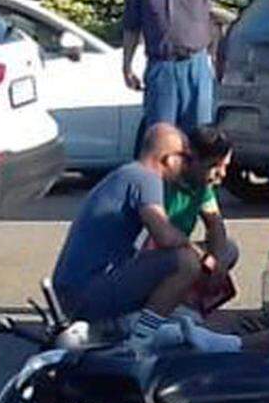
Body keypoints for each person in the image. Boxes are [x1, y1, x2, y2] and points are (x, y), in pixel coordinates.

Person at [51, 123, 216, 351]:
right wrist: (200, 254)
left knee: (171, 270)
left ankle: (131, 326)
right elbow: (165, 236)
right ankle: (140, 341)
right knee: (186, 263)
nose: (188, 164)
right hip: (84, 294)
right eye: (185, 158)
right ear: (168, 159)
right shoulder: (146, 179)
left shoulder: (127, 174)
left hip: (74, 289)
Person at [122, 0, 249, 138]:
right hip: (162, 68)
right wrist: (127, 65)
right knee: (161, 137)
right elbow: (131, 27)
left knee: (200, 138)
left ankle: (194, 174)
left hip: (196, 67)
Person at [162, 126, 239, 312]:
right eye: (215, 166)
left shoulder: (202, 186)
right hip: (155, 252)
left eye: (225, 166)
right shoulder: (163, 183)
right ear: (192, 160)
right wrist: (205, 258)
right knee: (188, 260)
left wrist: (217, 261)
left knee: (228, 249)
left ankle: (191, 305)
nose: (222, 174)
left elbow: (215, 224)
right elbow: (161, 237)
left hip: (181, 251)